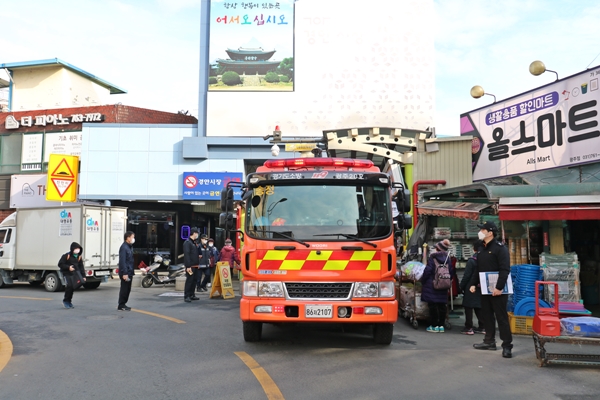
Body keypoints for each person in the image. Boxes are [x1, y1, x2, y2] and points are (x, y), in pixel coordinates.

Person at [469, 221, 513, 358]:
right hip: (485, 289)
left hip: (498, 290)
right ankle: (489, 341)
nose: (480, 232)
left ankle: (507, 346)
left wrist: (499, 287)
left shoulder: (500, 249)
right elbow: (478, 268)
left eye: (483, 230)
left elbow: (505, 269)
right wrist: (472, 283)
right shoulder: (481, 248)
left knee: (501, 318)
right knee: (487, 316)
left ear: (490, 232)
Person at [421, 239, 452, 333]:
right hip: (443, 284)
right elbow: (451, 272)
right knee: (442, 306)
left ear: (438, 249)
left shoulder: (433, 258)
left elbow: (428, 271)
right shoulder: (448, 259)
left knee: (433, 306)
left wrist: (423, 280)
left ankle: (434, 325)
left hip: (432, 285)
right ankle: (441, 326)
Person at [459, 240, 485, 335]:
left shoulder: (472, 260)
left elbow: (467, 276)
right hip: (481, 286)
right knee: (479, 306)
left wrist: (461, 286)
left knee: (468, 307)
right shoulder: (486, 259)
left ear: (474, 249)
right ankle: (483, 326)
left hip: (470, 286)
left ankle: (468, 327)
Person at [58, 242, 86, 309]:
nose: (77, 250)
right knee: (69, 286)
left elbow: (81, 267)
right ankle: (66, 301)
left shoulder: (79, 257)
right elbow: (60, 264)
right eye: (76, 248)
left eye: (78, 249)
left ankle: (69, 301)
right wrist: (68, 268)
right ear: (72, 249)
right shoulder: (66, 256)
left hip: (75, 274)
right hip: (67, 273)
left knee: (73, 287)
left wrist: (84, 276)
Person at [118, 231, 135, 311]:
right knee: (124, 289)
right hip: (126, 272)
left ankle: (123, 304)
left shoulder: (129, 247)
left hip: (129, 271)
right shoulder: (124, 247)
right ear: (128, 238)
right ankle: (121, 305)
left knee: (128, 289)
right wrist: (124, 273)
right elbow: (122, 261)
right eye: (132, 237)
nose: (133, 239)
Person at [183, 228, 200, 302]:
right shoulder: (187, 242)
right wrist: (188, 266)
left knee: (194, 281)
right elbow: (187, 255)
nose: (197, 235)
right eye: (197, 233)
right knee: (189, 280)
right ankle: (187, 295)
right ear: (194, 233)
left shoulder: (194, 243)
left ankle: (192, 294)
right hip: (191, 266)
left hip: (196, 265)